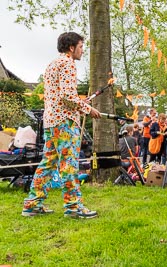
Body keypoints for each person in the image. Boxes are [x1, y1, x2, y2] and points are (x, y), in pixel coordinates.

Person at [21, 32, 101, 219]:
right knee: (69, 165)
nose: (82, 50)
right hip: (64, 123)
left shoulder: (52, 64)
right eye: (81, 46)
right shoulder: (67, 63)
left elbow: (60, 98)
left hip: (51, 122)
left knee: (47, 164)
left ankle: (32, 204)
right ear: (71, 47)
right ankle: (73, 207)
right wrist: (88, 109)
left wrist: (80, 106)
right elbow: (67, 97)